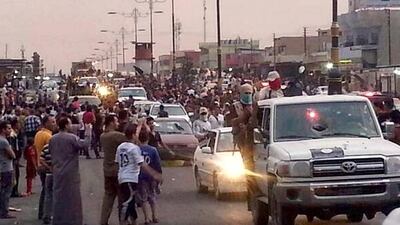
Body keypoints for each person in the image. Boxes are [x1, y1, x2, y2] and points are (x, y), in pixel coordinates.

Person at [116, 124, 162, 225]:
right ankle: (124, 220)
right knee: (129, 201)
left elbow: (117, 162)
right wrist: (155, 174)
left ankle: (133, 220)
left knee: (131, 200)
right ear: (133, 135)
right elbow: (142, 164)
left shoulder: (121, 147)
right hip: (131, 177)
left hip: (122, 176)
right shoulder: (134, 148)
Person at [49, 117, 90, 225]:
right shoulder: (72, 138)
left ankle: (58, 220)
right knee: (73, 198)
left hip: (57, 171)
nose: (71, 125)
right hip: (70, 173)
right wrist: (88, 132)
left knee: (59, 197)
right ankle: (73, 221)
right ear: (66, 125)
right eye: (70, 124)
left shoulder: (53, 138)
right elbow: (84, 145)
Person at [231, 83, 259, 210]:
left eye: (250, 93)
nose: (248, 95)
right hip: (243, 143)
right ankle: (251, 199)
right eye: (245, 93)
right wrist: (244, 116)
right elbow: (231, 122)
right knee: (249, 171)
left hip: (257, 142)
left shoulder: (256, 105)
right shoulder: (235, 107)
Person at [100, 115, 126, 225]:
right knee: (122, 198)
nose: (118, 123)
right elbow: (131, 139)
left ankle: (103, 220)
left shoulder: (103, 136)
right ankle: (122, 221)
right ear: (111, 123)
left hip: (107, 170)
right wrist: (139, 126)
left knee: (108, 197)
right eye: (116, 121)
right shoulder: (115, 136)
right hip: (118, 171)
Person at [136, 129, 162, 224]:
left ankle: (147, 218)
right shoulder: (153, 150)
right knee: (152, 196)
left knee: (143, 198)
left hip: (140, 176)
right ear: (148, 139)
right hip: (151, 176)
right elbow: (157, 164)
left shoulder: (136, 149)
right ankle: (155, 216)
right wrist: (159, 176)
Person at [34, 115, 56, 220]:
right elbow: (50, 153)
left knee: (44, 190)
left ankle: (41, 212)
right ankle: (46, 214)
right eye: (52, 122)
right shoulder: (48, 137)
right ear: (46, 123)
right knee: (49, 192)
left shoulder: (38, 134)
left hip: (39, 164)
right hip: (45, 166)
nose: (54, 124)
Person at [0, 120, 16, 219]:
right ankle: (4, 212)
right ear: (3, 129)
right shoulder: (4, 141)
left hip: (2, 167)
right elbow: (12, 155)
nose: (10, 130)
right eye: (8, 128)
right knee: (6, 191)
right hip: (6, 168)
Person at [39, 144, 53, 224]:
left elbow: (41, 159)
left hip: (48, 174)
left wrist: (48, 167)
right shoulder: (60, 147)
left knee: (48, 195)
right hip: (59, 175)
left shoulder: (46, 147)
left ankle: (46, 215)